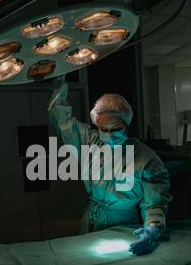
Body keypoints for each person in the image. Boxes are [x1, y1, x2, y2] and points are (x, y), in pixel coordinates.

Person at [48, 76, 170, 255]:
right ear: (97, 125)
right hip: (91, 221)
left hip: (125, 225)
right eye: (103, 129)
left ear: (126, 125)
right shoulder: (90, 141)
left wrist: (152, 228)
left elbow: (155, 202)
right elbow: (61, 119)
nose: (109, 135)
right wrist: (60, 79)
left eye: (115, 129)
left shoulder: (145, 157)